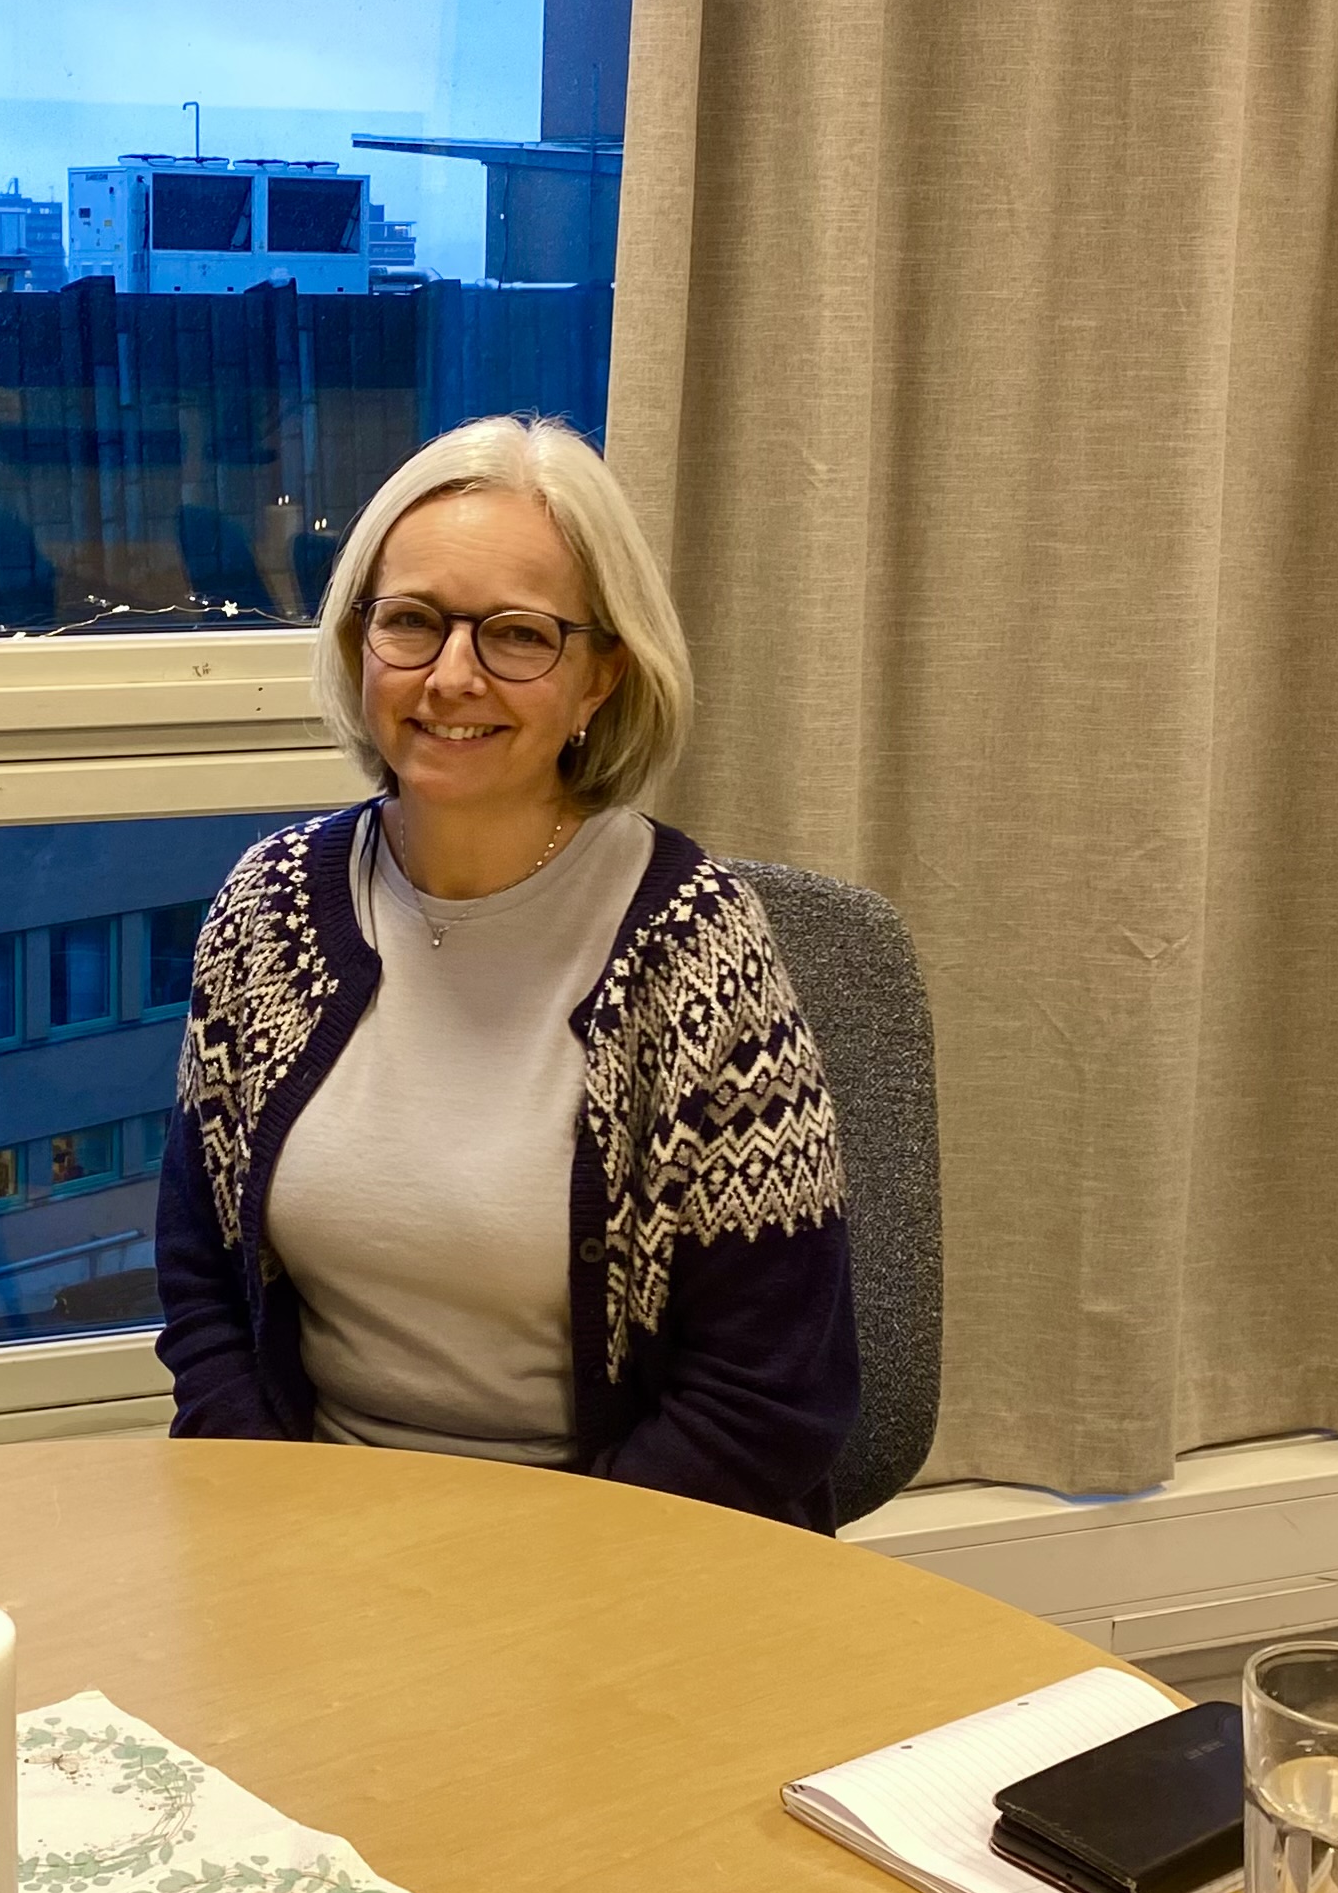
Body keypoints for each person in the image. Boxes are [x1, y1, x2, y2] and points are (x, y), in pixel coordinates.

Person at [153, 415, 860, 1526]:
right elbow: (202, 1285)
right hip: (317, 1536)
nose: (452, 676)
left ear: (599, 680)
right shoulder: (269, 911)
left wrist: (516, 1588)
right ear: (359, 643)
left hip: (618, 1553)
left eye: (519, 636)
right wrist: (281, 1527)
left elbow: (766, 1398)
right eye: (411, 622)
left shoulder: (694, 949)